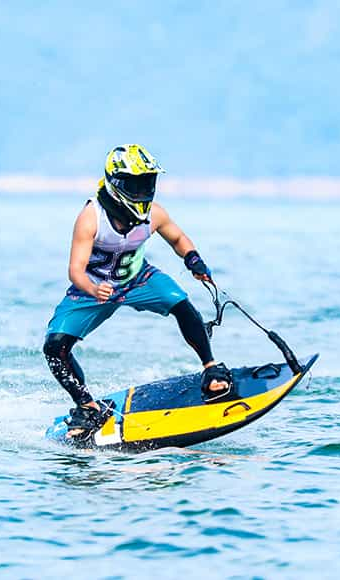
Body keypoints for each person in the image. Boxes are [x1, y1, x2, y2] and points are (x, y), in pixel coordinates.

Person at [43, 144, 233, 439]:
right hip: (93, 290)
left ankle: (211, 368)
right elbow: (75, 271)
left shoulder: (154, 214)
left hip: (138, 279)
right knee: (54, 347)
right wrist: (94, 288)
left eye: (148, 182)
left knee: (182, 305)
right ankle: (87, 406)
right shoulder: (91, 218)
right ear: (117, 184)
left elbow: (178, 238)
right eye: (136, 184)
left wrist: (194, 260)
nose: (144, 190)